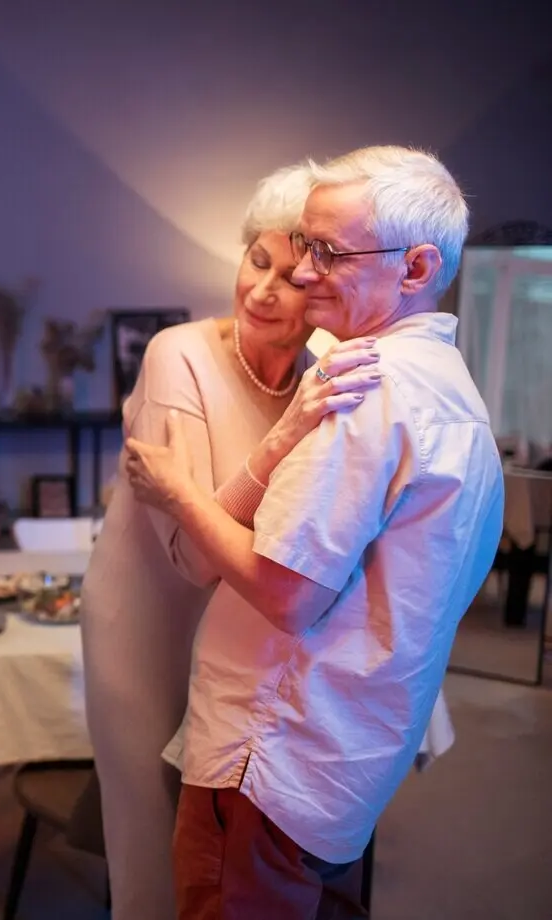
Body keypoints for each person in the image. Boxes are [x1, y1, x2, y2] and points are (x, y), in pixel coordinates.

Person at [125, 145, 504, 919]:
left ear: (416, 267)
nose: (300, 273)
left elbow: (285, 593)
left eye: (328, 252)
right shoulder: (449, 387)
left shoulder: (363, 389)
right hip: (343, 744)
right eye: (301, 245)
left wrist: (177, 491)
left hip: (273, 752)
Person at [77, 163, 385, 919]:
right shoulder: (176, 355)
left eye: (292, 276)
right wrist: (284, 437)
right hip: (148, 620)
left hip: (245, 630)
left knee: (231, 838)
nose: (264, 290)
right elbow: (190, 556)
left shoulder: (319, 377)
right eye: (256, 260)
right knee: (156, 841)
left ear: (323, 287)